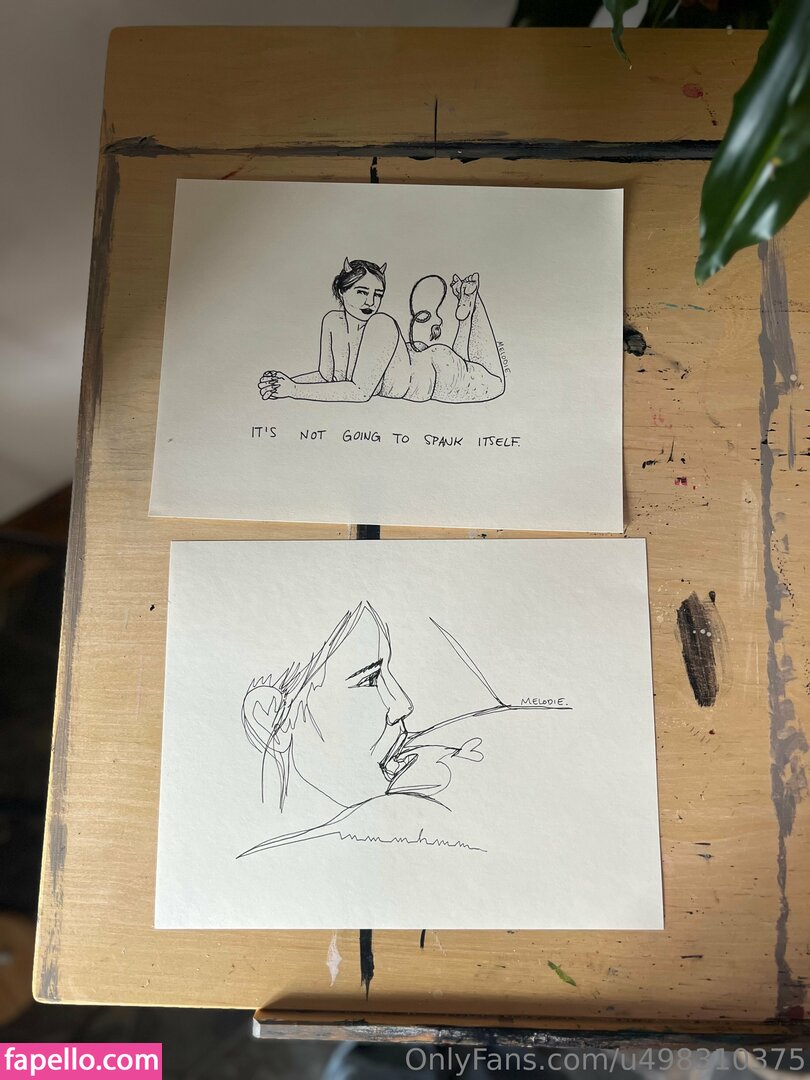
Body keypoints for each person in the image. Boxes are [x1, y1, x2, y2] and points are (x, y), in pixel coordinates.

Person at [256, 258, 506, 404]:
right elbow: (326, 375)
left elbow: (360, 391)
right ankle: (466, 309)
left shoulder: (381, 324)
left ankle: (472, 303)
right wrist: (287, 382)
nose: (370, 302)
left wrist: (294, 390)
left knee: (496, 382)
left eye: (377, 294)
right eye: (362, 292)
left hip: (439, 374)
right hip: (424, 359)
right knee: (471, 361)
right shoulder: (332, 322)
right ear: (342, 292)